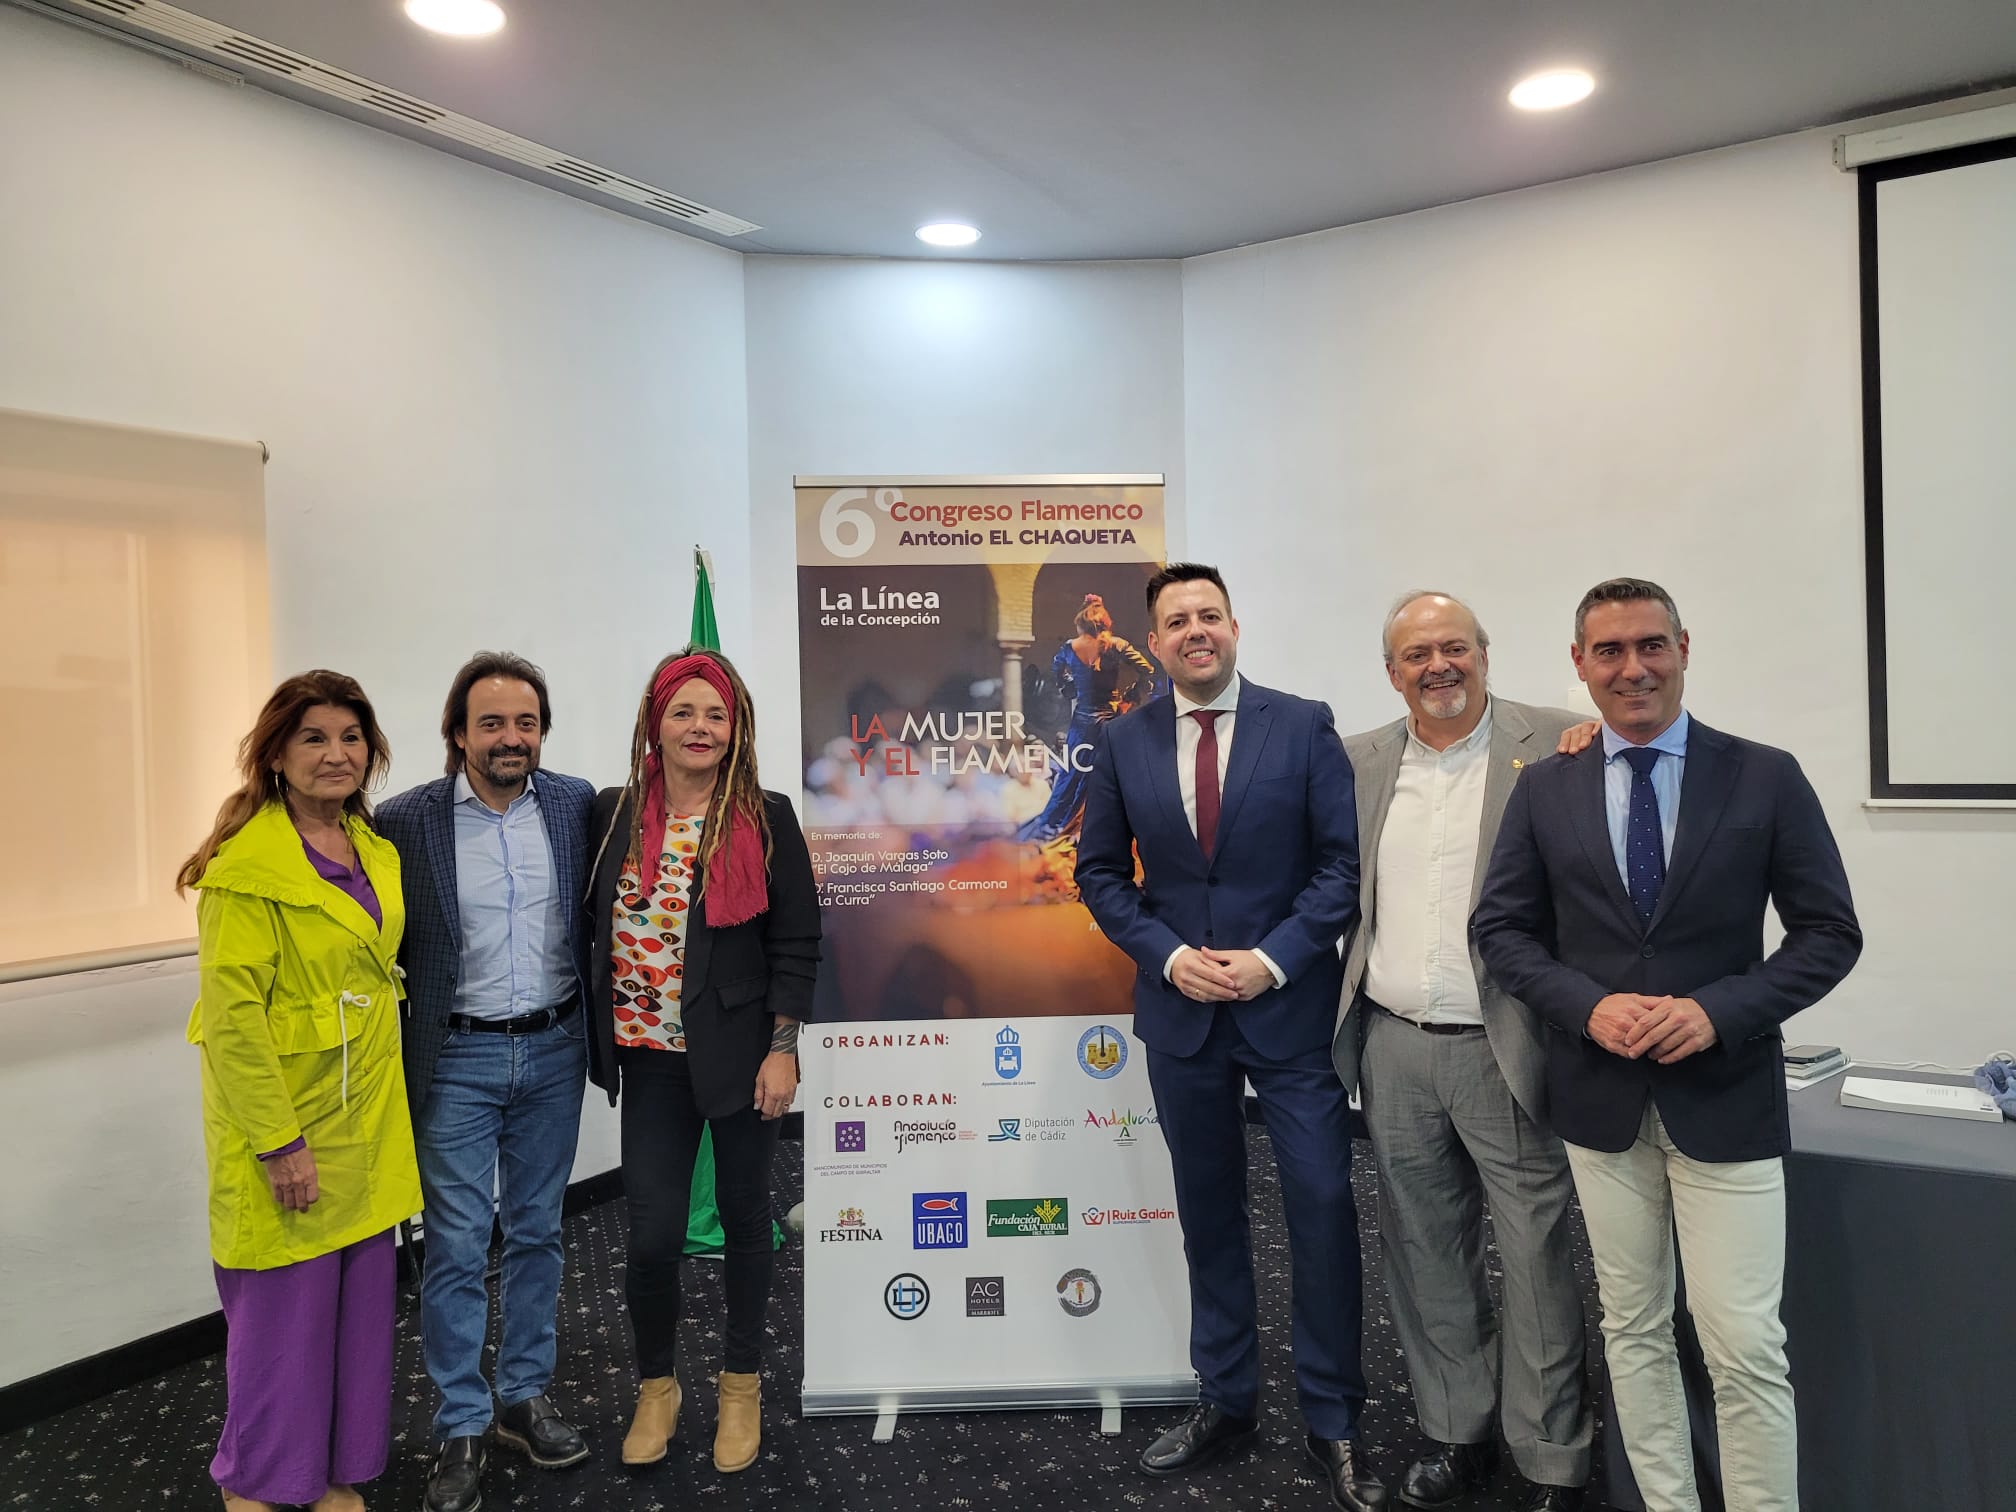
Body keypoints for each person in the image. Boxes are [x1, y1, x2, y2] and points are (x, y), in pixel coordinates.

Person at [1473, 578, 1862, 1512]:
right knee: (1634, 1327)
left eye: (1651, 645)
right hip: (1600, 1101)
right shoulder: (1547, 788)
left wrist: (1719, 1012)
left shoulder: (1764, 776)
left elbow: (1828, 934)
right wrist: (1589, 1008)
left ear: (1685, 648)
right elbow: (1502, 930)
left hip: (1725, 1097)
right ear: (1579, 664)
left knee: (1745, 1346)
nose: (1633, 668)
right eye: (1609, 651)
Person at [1077, 563, 1387, 1512]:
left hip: (1288, 1012)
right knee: (1208, 1213)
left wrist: (1273, 960)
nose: (1195, 631)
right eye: (1176, 621)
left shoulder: (1302, 725)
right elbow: (1101, 875)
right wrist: (1170, 958)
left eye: (1208, 615)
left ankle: (1333, 1418)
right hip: (1182, 1017)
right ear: (1155, 642)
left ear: (1234, 626)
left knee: (1323, 1207)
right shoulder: (1123, 740)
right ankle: (1227, 1399)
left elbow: (1340, 870)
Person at [1336, 592, 1595, 1512]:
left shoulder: (1559, 742)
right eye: (1416, 654)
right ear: (1392, 672)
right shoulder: (1358, 761)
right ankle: (1458, 1429)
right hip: (1394, 1044)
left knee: (1535, 1254)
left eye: (1454, 647)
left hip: (1507, 1042)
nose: (1437, 665)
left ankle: (1552, 1454)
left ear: (1485, 653)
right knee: (1424, 1250)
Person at [178, 671, 420, 1512]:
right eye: (313, 737)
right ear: (276, 754)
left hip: (367, 1118)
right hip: (287, 1125)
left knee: (355, 1316)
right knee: (284, 1322)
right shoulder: (244, 872)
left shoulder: (375, 850)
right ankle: (256, 1481)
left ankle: (330, 1471)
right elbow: (233, 1026)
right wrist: (280, 1143)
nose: (335, 754)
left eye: (351, 737)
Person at [581, 648, 820, 1474]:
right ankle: (658, 1388)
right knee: (652, 1237)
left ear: (736, 727)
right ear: (655, 723)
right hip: (648, 1059)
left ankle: (740, 1386)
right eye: (683, 712)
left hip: (741, 1054)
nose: (700, 727)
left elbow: (796, 941)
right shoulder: (612, 812)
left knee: (748, 1221)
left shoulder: (766, 815)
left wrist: (783, 1050)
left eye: (716, 714)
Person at [374, 653, 596, 1512]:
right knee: (458, 1245)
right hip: (456, 1057)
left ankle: (523, 1397)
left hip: (554, 1048)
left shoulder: (574, 805)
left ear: (542, 731)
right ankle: (462, 1419)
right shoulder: (404, 821)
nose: (511, 738)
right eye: (492, 723)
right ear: (458, 733)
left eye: (525, 723)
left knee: (538, 1231)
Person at [1018, 592, 1157, 842]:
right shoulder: (1116, 645)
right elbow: (1148, 670)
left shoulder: (1069, 647)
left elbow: (1058, 669)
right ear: (1104, 620)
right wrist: (1131, 696)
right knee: (1109, 775)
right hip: (1110, 720)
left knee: (1071, 775)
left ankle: (1060, 826)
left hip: (1082, 721)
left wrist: (1069, 687)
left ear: (1080, 621)